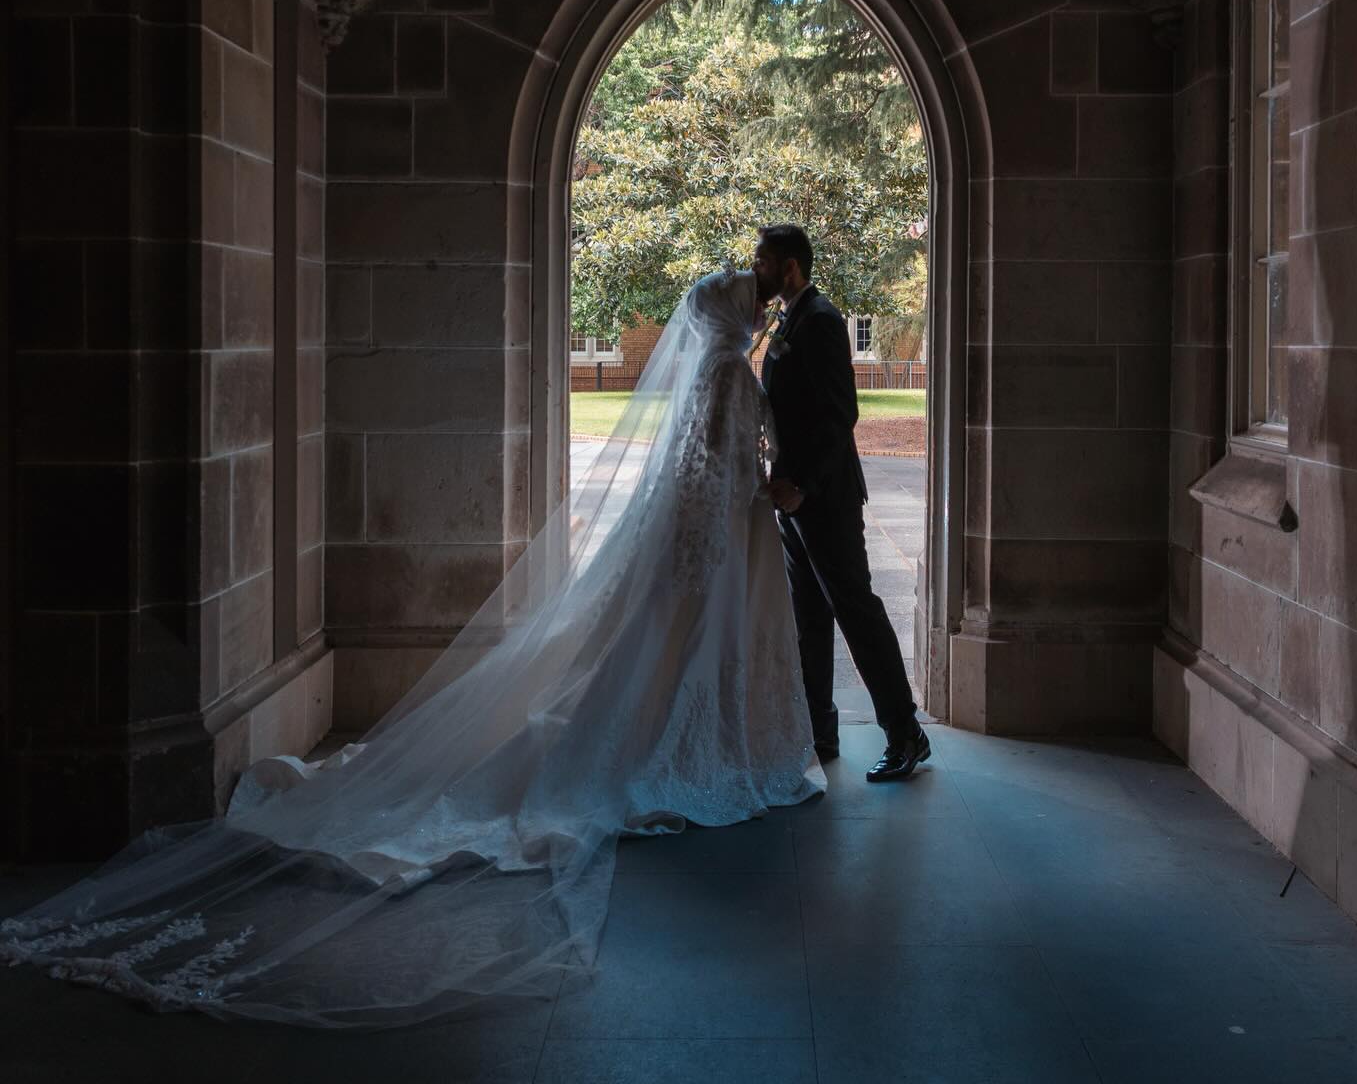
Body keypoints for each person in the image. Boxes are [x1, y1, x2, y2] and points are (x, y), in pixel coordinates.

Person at [0, 268, 823, 1027]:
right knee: (667, 661)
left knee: (669, 657)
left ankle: (717, 735)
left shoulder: (726, 364)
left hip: (725, 531)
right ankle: (700, 744)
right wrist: (747, 503)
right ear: (724, 312)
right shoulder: (724, 369)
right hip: (717, 534)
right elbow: (704, 466)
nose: (757, 301)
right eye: (747, 293)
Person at [753, 224, 931, 782]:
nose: (754, 269)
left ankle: (906, 734)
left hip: (823, 497)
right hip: (792, 500)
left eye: (763, 261)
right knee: (808, 618)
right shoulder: (789, 320)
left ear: (789, 268)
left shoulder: (824, 321)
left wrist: (803, 483)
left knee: (856, 610)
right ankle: (817, 732)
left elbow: (839, 416)